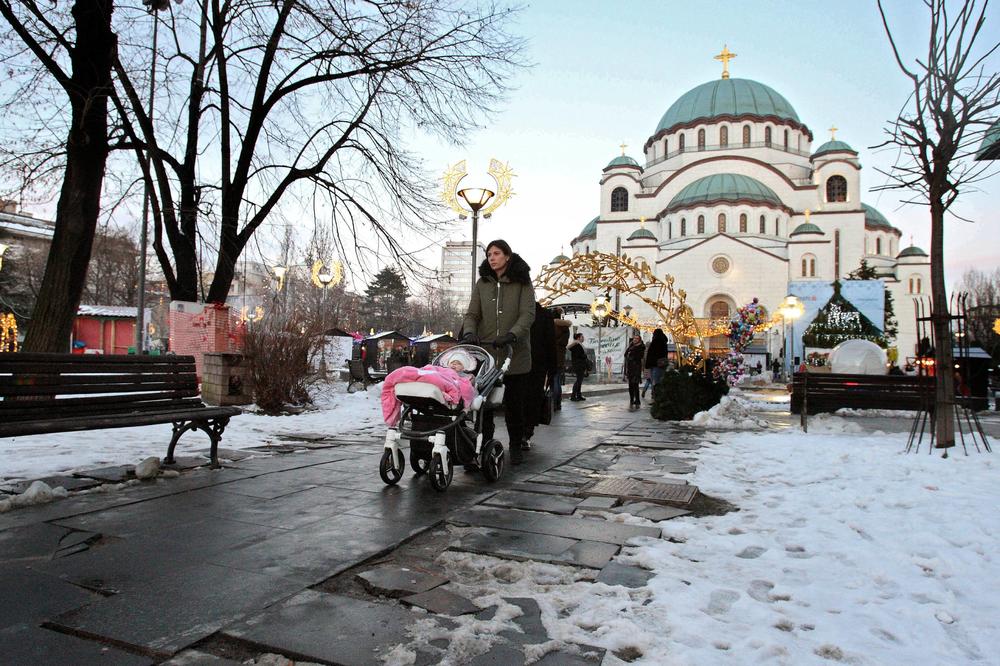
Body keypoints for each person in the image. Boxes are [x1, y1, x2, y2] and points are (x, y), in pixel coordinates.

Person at [461, 240, 535, 465]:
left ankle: (515, 445)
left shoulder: (522, 282)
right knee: (484, 405)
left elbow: (528, 314)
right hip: (489, 355)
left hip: (515, 354)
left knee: (514, 405)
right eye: (489, 254)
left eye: (496, 253)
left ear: (507, 256)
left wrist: (512, 335)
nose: (492, 258)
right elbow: (472, 313)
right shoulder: (482, 283)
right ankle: (483, 447)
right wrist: (470, 332)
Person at [523, 302, 557, 450]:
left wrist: (552, 368)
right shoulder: (544, 315)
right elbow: (551, 343)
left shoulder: (543, 315)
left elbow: (550, 343)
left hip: (534, 364)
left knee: (526, 399)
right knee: (529, 399)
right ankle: (525, 433)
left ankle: (525, 433)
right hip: (534, 364)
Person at [551, 308, 571, 411]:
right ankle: (558, 403)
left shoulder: (551, 326)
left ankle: (553, 403)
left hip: (551, 357)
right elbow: (564, 343)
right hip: (561, 358)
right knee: (558, 381)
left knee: (553, 381)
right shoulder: (565, 328)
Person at [623, 333, 645, 409]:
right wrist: (630, 347)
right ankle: (632, 399)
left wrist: (631, 354)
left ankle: (637, 400)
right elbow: (625, 354)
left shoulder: (641, 347)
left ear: (639, 340)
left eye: (636, 339)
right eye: (634, 338)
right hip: (630, 368)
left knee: (635, 384)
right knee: (630, 385)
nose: (634, 340)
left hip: (636, 368)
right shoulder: (631, 346)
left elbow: (639, 356)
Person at [568, 332, 588, 401]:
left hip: (580, 365)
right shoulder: (576, 345)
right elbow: (579, 356)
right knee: (578, 381)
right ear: (578, 338)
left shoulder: (579, 345)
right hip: (578, 365)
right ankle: (573, 396)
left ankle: (578, 395)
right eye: (582, 337)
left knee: (580, 380)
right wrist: (585, 356)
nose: (583, 338)